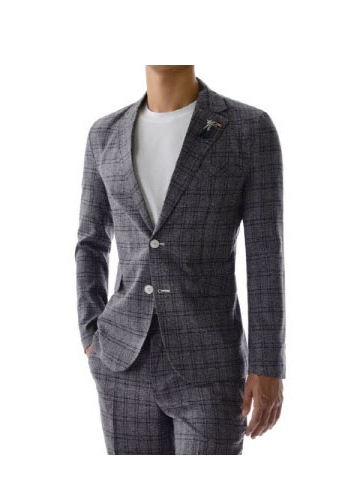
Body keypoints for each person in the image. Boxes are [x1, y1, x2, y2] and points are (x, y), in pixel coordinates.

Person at [75, 65, 285, 454]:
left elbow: (265, 254)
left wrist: (268, 364)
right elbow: (91, 242)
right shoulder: (104, 134)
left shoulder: (249, 129)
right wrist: (91, 335)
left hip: (210, 364)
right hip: (121, 361)